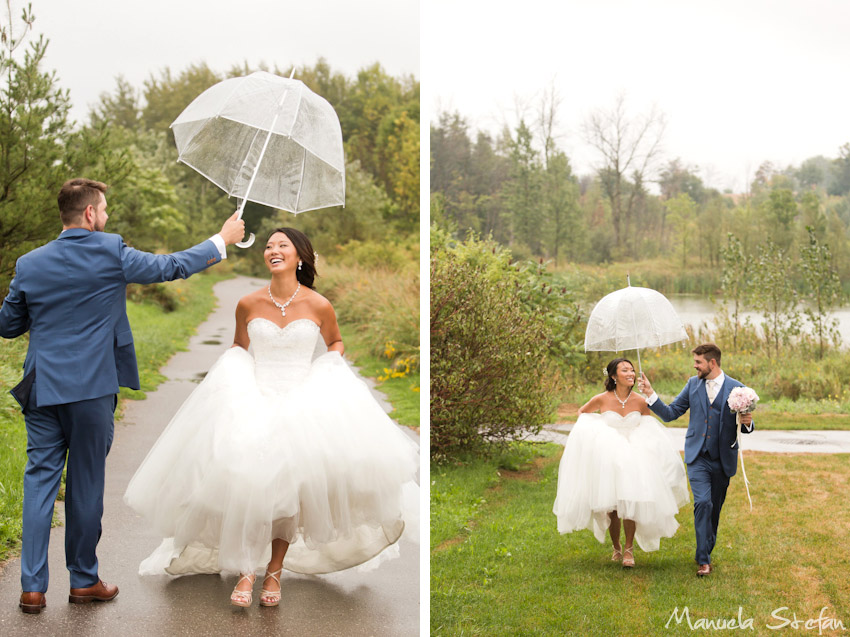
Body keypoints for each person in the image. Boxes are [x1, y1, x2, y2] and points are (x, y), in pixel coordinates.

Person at [124, 227, 419, 608]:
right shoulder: (248, 303)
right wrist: (232, 376)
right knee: (246, 482)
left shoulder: (319, 304)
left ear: (300, 256)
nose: (273, 250)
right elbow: (238, 346)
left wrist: (329, 368)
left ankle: (274, 571)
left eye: (283, 245)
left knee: (290, 491)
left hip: (303, 402)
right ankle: (246, 570)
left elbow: (335, 342)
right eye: (268, 246)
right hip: (255, 398)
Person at [0, 178, 245, 614]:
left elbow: (8, 324)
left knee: (39, 482)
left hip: (42, 386)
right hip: (92, 388)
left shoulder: (29, 262)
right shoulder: (111, 250)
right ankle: (83, 581)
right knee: (85, 485)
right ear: (90, 213)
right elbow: (169, 267)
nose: (108, 216)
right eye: (105, 209)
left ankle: (32, 589)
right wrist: (221, 240)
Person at [553, 358, 689, 568]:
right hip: (609, 457)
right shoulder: (601, 399)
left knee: (631, 499)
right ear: (614, 376)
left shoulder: (641, 401)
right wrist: (599, 432)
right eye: (625, 370)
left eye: (632, 370)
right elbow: (582, 413)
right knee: (613, 506)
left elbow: (648, 425)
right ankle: (616, 546)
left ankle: (628, 548)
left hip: (634, 456)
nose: (631, 374)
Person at [639, 342, 754, 577]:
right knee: (702, 503)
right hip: (697, 456)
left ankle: (704, 549)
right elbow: (671, 414)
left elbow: (748, 429)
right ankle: (703, 560)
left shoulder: (738, 389)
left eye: (698, 362)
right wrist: (650, 394)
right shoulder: (693, 385)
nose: (695, 366)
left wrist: (748, 421)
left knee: (714, 510)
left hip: (723, 459)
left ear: (712, 363)